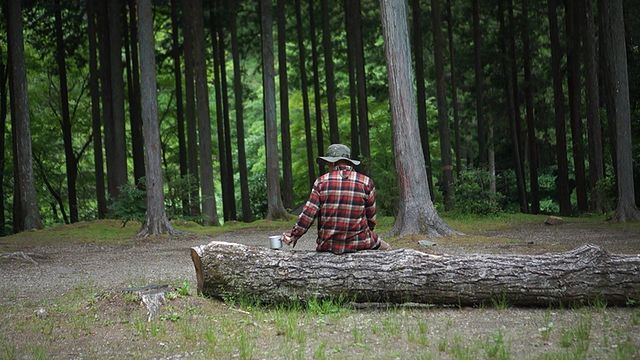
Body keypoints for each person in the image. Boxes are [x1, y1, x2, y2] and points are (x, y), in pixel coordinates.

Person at [281, 144, 391, 254]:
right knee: (386, 248)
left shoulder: (321, 182)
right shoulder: (366, 182)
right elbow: (371, 220)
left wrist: (294, 235)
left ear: (332, 163)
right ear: (348, 162)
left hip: (328, 245)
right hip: (360, 243)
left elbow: (308, 215)